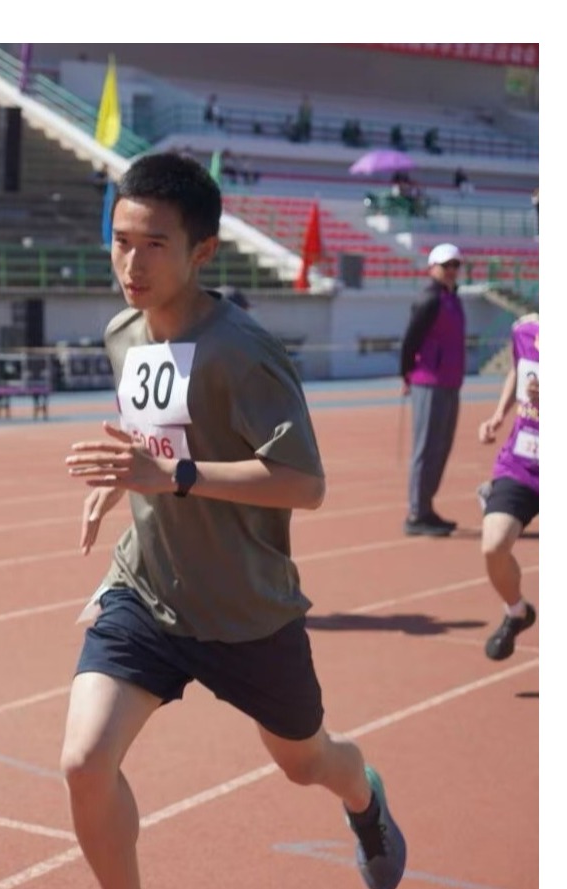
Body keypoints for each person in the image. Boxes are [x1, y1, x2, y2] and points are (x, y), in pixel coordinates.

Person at [61, 152, 407, 889]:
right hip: (148, 589)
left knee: (307, 762)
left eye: (155, 244)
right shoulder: (124, 333)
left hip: (247, 611)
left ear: (203, 251)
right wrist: (125, 476)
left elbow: (305, 484)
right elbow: (154, 431)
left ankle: (364, 796)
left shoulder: (242, 353)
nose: (132, 263)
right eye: (122, 241)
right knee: (85, 761)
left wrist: (176, 477)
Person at [476, 313, 538, 661]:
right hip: (522, 462)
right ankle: (517, 611)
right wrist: (499, 414)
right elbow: (518, 369)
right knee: (494, 545)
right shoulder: (525, 330)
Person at [399, 243, 466, 536]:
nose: (451, 270)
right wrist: (406, 375)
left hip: (451, 382)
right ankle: (417, 513)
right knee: (426, 448)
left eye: (455, 265)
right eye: (445, 265)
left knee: (441, 448)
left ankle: (426, 507)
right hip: (428, 382)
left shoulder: (454, 298)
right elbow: (410, 340)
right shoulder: (429, 299)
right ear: (432, 267)